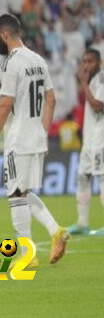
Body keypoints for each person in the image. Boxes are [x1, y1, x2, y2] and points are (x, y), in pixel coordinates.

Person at [0, 14, 69, 267]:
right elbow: (51, 99)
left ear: (5, 35)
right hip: (36, 137)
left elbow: (4, 104)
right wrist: (43, 132)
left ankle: (27, 255)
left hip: (18, 138)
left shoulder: (12, 63)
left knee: (15, 195)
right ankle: (56, 231)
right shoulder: (38, 59)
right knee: (24, 191)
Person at [67, 49, 104, 236]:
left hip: (101, 139)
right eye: (84, 62)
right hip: (90, 139)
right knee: (83, 178)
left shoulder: (103, 79)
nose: (86, 65)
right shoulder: (91, 81)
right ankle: (82, 223)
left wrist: (83, 82)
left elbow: (98, 106)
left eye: (90, 61)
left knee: (103, 179)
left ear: (100, 62)